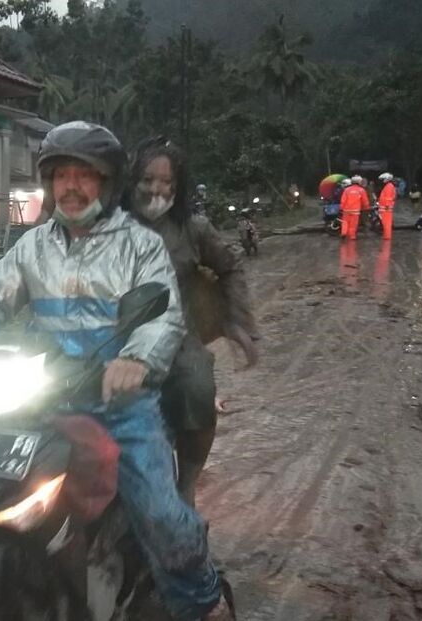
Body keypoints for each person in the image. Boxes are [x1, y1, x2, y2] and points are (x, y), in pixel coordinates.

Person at [0, 121, 232, 621]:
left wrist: (137, 360)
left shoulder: (140, 245)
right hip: (44, 396)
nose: (70, 187)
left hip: (122, 404)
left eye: (84, 175)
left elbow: (162, 316)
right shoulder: (32, 247)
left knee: (160, 514)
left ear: (107, 184)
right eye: (60, 175)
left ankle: (203, 595)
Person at [125, 136, 259, 508]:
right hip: (112, 337)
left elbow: (230, 267)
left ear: (178, 187)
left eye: (167, 182)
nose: (156, 189)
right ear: (132, 180)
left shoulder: (194, 228)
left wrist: (236, 322)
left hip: (177, 337)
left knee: (197, 388)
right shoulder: (108, 226)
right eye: (148, 179)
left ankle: (187, 482)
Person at [340, 175, 369, 240]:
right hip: (355, 210)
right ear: (359, 182)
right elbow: (365, 200)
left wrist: (341, 208)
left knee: (345, 222)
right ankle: (352, 236)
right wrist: (366, 207)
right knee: (353, 224)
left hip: (346, 210)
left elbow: (343, 200)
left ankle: (344, 233)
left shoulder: (347, 190)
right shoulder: (361, 190)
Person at [378, 172, 398, 240]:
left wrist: (387, 205)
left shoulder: (389, 186)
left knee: (386, 224)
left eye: (382, 179)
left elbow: (388, 198)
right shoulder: (389, 186)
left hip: (386, 209)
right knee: (386, 223)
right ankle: (386, 236)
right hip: (385, 208)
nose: (381, 181)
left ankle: (387, 237)